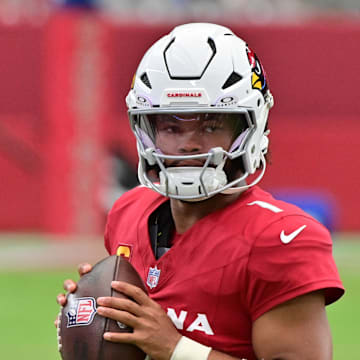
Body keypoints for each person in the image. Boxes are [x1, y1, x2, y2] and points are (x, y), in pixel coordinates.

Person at [56, 23, 344, 360]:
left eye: (210, 125)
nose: (188, 144)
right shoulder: (129, 211)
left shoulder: (283, 238)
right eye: (170, 126)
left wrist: (176, 348)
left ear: (251, 127)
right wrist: (90, 321)